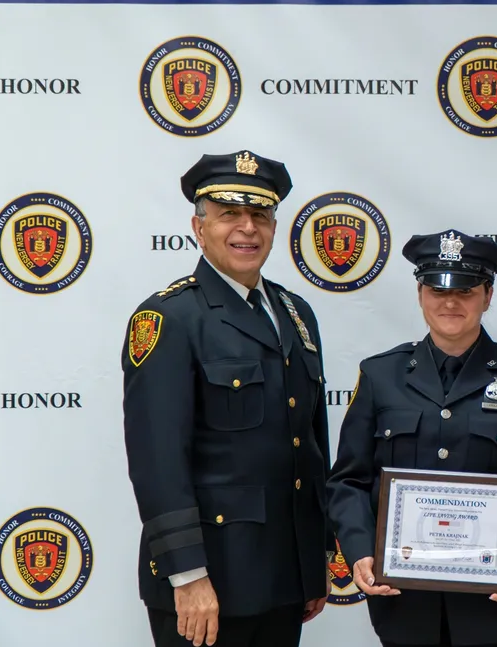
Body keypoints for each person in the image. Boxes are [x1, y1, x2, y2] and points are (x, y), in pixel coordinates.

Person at [120, 150, 333, 647]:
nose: (247, 228)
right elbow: (157, 461)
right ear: (199, 227)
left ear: (274, 226)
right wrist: (187, 575)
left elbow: (310, 445)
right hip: (209, 583)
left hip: (283, 577)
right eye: (229, 214)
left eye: (260, 214)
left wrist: (314, 557)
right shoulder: (170, 318)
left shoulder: (295, 313)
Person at [326, 230, 497, 647]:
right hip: (408, 608)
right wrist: (359, 550)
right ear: (420, 294)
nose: (450, 302)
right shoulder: (380, 376)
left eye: (465, 290)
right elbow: (348, 481)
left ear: (488, 295)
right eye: (437, 290)